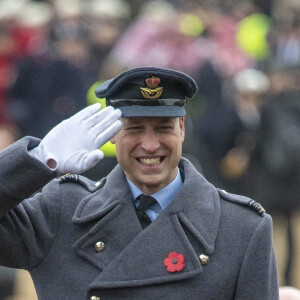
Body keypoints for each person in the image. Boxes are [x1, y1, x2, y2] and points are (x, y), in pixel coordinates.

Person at [0, 67, 278, 299]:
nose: (149, 144)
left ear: (182, 128)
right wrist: (37, 161)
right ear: (112, 134)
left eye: (163, 128)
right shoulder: (61, 211)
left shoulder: (242, 229)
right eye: (134, 128)